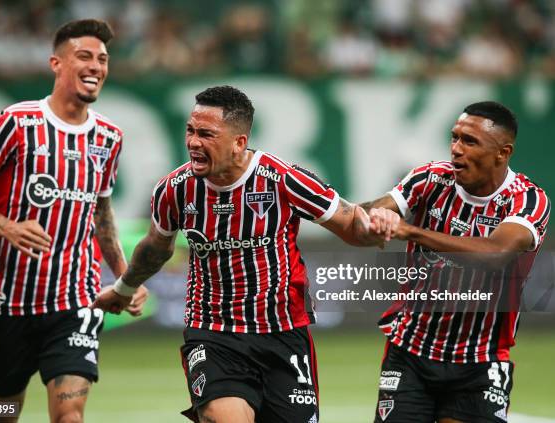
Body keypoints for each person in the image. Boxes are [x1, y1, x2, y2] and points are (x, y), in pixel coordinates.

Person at [92, 85, 399, 423]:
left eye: (206, 134)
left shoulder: (283, 179)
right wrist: (123, 288)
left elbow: (354, 227)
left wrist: (381, 222)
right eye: (190, 131)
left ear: (239, 142)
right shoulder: (175, 190)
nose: (193, 142)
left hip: (284, 334)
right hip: (213, 334)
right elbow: (155, 248)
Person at [0, 19, 147, 423]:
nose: (96, 67)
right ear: (56, 63)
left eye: (103, 59)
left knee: (69, 416)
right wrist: (9, 226)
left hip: (75, 300)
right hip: (8, 304)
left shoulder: (109, 136)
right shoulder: (15, 123)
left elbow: (101, 214)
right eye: (84, 56)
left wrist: (125, 279)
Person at [361, 101, 550, 422]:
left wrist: (410, 231)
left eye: (470, 141)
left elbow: (496, 253)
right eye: (455, 137)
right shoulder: (430, 179)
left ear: (502, 153)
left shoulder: (527, 199)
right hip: (411, 352)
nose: (456, 149)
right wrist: (375, 216)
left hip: (481, 360)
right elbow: (373, 213)